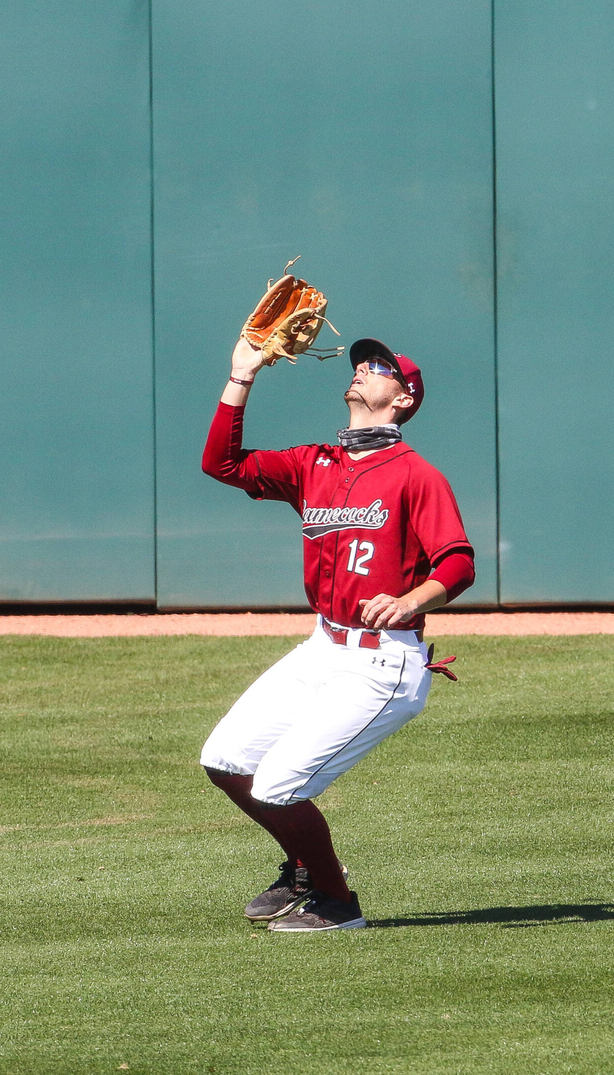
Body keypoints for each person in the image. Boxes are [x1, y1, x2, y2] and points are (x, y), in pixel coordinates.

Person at [199, 332, 475, 932]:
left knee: (276, 785)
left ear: (403, 399)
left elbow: (457, 562)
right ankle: (305, 863)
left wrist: (410, 600)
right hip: (323, 648)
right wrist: (241, 374)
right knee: (223, 758)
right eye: (361, 365)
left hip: (383, 665)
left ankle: (337, 902)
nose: (363, 372)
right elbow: (221, 464)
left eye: (380, 369)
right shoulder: (313, 464)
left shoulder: (416, 475)